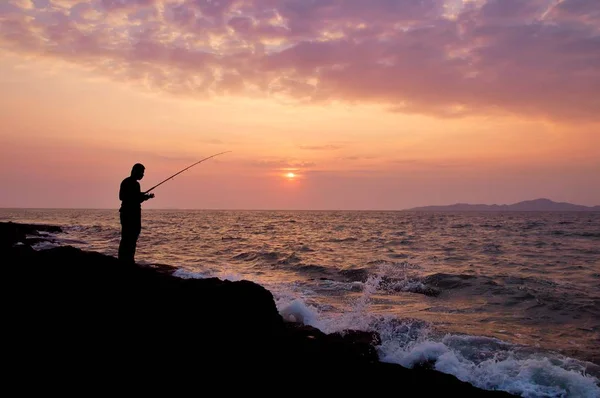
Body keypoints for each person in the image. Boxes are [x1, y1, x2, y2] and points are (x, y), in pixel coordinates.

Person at [118, 163, 154, 264]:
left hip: (128, 213)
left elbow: (129, 196)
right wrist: (144, 197)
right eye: (141, 172)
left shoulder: (127, 182)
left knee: (128, 237)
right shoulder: (132, 183)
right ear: (135, 171)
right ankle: (127, 260)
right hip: (131, 214)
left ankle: (125, 259)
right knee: (130, 237)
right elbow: (129, 198)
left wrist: (143, 196)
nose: (143, 175)